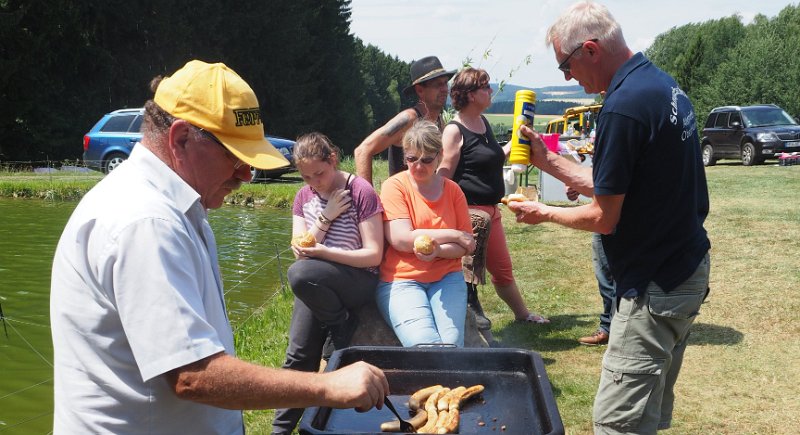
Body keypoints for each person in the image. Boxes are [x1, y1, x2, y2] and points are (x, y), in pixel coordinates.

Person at [49, 60, 388, 434]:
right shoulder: (146, 222)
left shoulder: (180, 206)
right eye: (234, 156)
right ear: (180, 139)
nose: (246, 175)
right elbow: (192, 375)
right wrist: (327, 385)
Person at [508, 2, 711, 433]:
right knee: (644, 417)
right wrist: (547, 162)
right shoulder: (659, 85)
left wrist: (544, 213)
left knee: (617, 424)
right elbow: (615, 183)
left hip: (655, 283)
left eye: (566, 64)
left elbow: (604, 217)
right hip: (684, 268)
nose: (566, 77)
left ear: (591, 50)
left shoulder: (622, 107)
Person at [271, 132, 385, 434]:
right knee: (298, 356)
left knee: (299, 274)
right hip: (318, 282)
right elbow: (301, 249)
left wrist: (323, 252)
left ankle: (340, 322)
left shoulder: (360, 191)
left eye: (319, 173)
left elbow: (374, 255)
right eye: (306, 176)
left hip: (356, 279)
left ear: (332, 159)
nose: (314, 182)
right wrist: (327, 217)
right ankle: (280, 431)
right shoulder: (303, 197)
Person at [439, 67, 549, 326]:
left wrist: (521, 140)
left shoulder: (483, 122)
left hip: (492, 212)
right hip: (469, 215)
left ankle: (522, 315)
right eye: (485, 88)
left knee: (502, 271)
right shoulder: (455, 130)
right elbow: (443, 176)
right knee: (467, 275)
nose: (491, 92)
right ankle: (466, 319)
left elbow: (494, 157)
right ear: (470, 94)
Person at [376, 120, 475, 347]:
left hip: (447, 277)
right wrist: (454, 234)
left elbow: (466, 246)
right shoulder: (395, 186)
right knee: (424, 344)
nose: (418, 166)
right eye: (411, 159)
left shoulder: (453, 190)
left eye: (426, 160)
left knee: (451, 344)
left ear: (439, 156)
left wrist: (439, 249)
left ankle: (449, 382)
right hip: (402, 280)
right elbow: (401, 239)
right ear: (405, 157)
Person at [354, 56, 455, 185]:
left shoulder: (440, 122)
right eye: (438, 85)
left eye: (445, 83)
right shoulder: (409, 119)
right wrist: (368, 201)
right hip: (401, 200)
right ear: (420, 90)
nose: (445, 89)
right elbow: (363, 150)